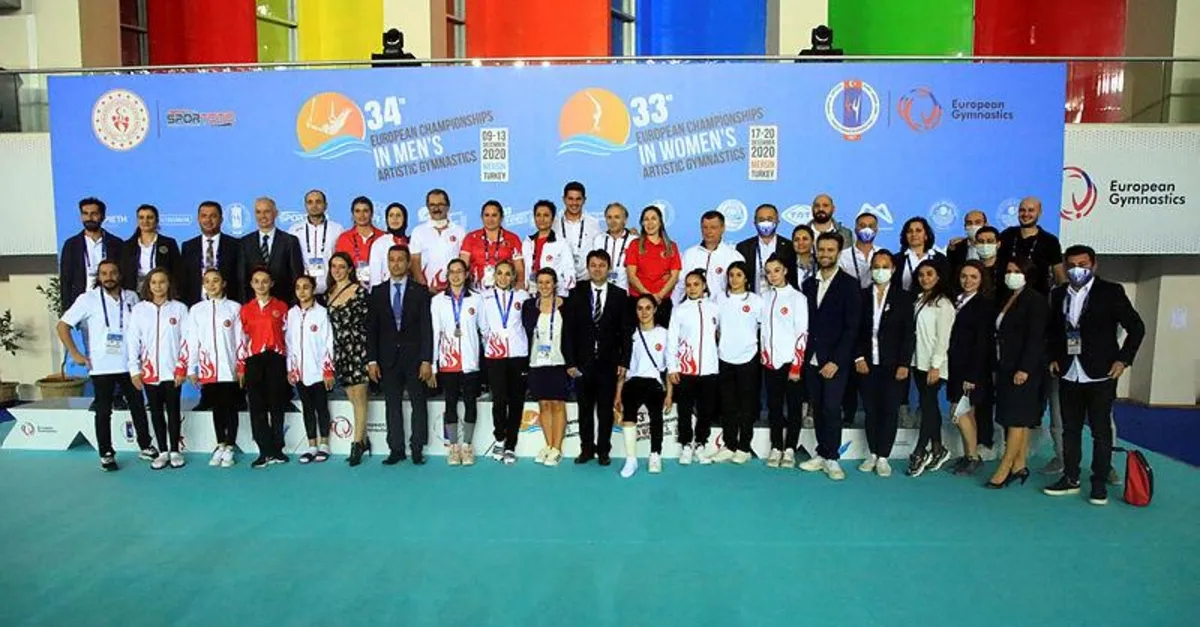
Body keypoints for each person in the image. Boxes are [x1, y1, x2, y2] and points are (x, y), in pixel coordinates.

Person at [1043, 245, 1145, 505]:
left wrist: (1123, 359)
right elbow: (1052, 330)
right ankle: (1070, 477)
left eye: (1083, 265)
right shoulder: (1057, 294)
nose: (1077, 270)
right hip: (1068, 371)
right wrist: (1053, 356)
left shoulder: (1110, 291)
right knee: (1070, 430)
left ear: (1094, 265)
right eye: (1071, 265)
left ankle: (1099, 482)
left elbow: (1136, 327)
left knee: (1101, 432)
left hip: (1101, 373)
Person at [56, 259, 151, 471]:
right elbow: (62, 326)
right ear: (98, 277)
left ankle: (145, 446)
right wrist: (75, 353)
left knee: (138, 407)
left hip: (130, 365)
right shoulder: (87, 299)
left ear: (120, 275)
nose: (109, 277)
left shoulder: (132, 297)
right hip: (101, 366)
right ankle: (106, 453)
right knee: (103, 411)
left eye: (113, 273)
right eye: (104, 273)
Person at [798, 233, 861, 481]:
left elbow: (852, 328)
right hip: (811, 358)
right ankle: (822, 452)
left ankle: (832, 457)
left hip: (835, 361)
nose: (825, 254)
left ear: (838, 253)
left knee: (832, 408)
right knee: (818, 408)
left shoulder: (849, 285)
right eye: (821, 249)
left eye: (830, 250)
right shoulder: (808, 284)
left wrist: (836, 361)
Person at [367, 245, 433, 465]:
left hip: (415, 358)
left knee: (418, 403)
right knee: (392, 405)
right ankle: (396, 449)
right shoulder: (377, 292)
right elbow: (372, 329)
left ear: (408, 263)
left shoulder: (420, 291)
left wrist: (426, 359)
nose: (395, 264)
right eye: (392, 260)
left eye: (400, 260)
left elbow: (426, 328)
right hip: (387, 359)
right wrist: (372, 360)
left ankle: (417, 448)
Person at [987, 258, 1047, 489]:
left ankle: (1005, 466)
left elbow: (1035, 338)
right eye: (1008, 270)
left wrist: (1025, 368)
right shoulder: (1007, 297)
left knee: (1016, 418)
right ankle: (1020, 465)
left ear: (1027, 274)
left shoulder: (1035, 301)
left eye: (1016, 271)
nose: (1011, 275)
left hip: (1023, 369)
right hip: (1005, 365)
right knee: (1012, 417)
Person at [854, 250, 914, 478]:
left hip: (894, 366)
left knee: (889, 410)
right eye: (876, 266)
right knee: (871, 410)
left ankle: (883, 457)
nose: (880, 271)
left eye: (885, 266)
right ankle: (872, 453)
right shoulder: (861, 296)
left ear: (893, 269)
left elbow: (909, 334)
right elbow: (854, 329)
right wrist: (858, 357)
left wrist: (904, 363)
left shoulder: (903, 298)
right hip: (867, 364)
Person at [176, 268, 243, 468]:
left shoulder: (235, 308)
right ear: (203, 285)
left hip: (229, 367)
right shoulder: (196, 310)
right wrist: (191, 368)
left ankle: (230, 446)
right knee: (216, 407)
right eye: (207, 281)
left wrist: (241, 365)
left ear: (223, 283)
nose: (212, 285)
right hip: (208, 368)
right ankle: (220, 444)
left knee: (230, 407)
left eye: (216, 280)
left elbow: (240, 339)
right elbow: (192, 340)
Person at [567, 250, 629, 466]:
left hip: (608, 364)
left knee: (605, 410)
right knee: (584, 409)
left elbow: (625, 332)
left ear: (609, 268)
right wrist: (570, 362)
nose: (597, 269)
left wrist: (624, 362)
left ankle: (604, 450)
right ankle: (586, 449)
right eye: (593, 265)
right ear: (587, 267)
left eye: (602, 265)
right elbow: (568, 331)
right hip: (582, 364)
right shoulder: (576, 293)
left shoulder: (619, 295)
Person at [127, 267, 189, 470]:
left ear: (168, 284)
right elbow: (133, 341)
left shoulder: (179, 309)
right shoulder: (139, 310)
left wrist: (182, 367)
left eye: (162, 282)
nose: (158, 286)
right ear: (148, 285)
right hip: (149, 371)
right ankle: (162, 451)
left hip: (173, 370)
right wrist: (134, 369)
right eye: (153, 282)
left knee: (173, 410)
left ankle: (175, 450)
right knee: (155, 411)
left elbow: (186, 339)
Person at [431, 259, 483, 467]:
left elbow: (484, 330)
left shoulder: (477, 299)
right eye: (451, 272)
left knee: (470, 403)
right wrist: (433, 364)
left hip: (470, 361)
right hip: (448, 361)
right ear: (447, 275)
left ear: (466, 274)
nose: (455, 275)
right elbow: (435, 333)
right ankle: (453, 446)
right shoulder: (438, 301)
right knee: (450, 403)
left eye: (459, 271)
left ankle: (467, 445)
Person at [906, 259, 956, 477]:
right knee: (930, 406)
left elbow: (943, 338)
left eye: (929, 274)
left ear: (938, 276)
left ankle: (920, 451)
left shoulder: (944, 304)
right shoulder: (919, 300)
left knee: (928, 406)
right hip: (918, 361)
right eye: (921, 274)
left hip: (935, 365)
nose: (925, 278)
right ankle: (938, 448)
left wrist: (935, 366)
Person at [759, 256, 809, 468]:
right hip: (771, 363)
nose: (772, 275)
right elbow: (763, 330)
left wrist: (797, 365)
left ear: (785, 271)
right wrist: (765, 356)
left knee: (794, 407)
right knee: (774, 406)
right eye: (769, 272)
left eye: (776, 270)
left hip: (791, 363)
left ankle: (790, 448)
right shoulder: (764, 297)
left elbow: (802, 333)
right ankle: (776, 446)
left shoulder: (798, 298)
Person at [946, 260, 996, 476]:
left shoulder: (984, 305)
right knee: (967, 413)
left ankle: (973, 457)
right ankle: (969, 455)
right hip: (955, 366)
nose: (968, 281)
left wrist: (972, 375)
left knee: (958, 412)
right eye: (964, 276)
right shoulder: (957, 300)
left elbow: (982, 343)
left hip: (971, 369)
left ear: (982, 279)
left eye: (974, 277)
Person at [614, 295, 673, 477]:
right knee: (629, 417)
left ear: (655, 310)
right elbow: (624, 367)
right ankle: (631, 459)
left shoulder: (664, 334)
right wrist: (618, 394)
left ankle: (655, 454)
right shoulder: (630, 334)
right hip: (633, 381)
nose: (644, 312)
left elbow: (669, 366)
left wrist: (669, 394)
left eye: (648, 308)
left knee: (656, 417)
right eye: (640, 308)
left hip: (654, 382)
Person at [521, 268, 575, 467]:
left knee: (557, 404)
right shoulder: (529, 306)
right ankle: (548, 445)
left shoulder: (566, 306)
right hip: (536, 362)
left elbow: (571, 336)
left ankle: (557, 448)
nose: (544, 286)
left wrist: (572, 362)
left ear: (555, 284)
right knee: (543, 404)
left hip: (559, 362)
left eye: (548, 282)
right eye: (541, 282)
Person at [239, 266, 291, 469]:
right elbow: (241, 339)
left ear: (271, 284)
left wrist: (291, 364)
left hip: (276, 359)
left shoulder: (282, 307)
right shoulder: (245, 309)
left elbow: (289, 337)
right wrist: (241, 366)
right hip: (254, 360)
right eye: (256, 281)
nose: (261, 285)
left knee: (277, 404)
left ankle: (278, 449)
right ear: (251, 284)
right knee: (257, 406)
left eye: (265, 281)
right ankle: (264, 450)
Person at [478, 259, 529, 465]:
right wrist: (492, 343)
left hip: (518, 354)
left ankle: (511, 445)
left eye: (508, 274)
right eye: (499, 273)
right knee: (499, 400)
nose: (503, 277)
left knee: (516, 401)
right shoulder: (484, 297)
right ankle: (499, 438)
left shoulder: (523, 296)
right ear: (494, 275)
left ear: (513, 277)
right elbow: (483, 326)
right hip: (495, 355)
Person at [666, 269, 719, 465]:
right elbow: (672, 340)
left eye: (696, 284)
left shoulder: (714, 308)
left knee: (706, 410)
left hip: (709, 369)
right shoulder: (679, 310)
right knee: (685, 409)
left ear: (704, 286)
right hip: (686, 369)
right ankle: (686, 445)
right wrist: (672, 367)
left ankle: (701, 445)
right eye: (688, 285)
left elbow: (720, 333)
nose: (692, 288)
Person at [326, 252, 372, 466]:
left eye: (341, 266)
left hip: (358, 347)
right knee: (351, 396)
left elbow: (368, 322)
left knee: (360, 395)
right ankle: (363, 438)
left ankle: (357, 444)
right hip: (340, 350)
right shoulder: (328, 294)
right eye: (333, 266)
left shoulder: (359, 291)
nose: (337, 270)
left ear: (350, 269)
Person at [714, 261, 761, 465]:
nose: (734, 279)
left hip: (748, 358)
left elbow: (763, 328)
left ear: (746, 278)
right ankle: (729, 444)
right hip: (724, 357)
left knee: (747, 405)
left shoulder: (756, 301)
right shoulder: (719, 299)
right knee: (728, 404)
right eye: (731, 275)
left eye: (739, 275)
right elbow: (715, 327)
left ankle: (744, 447)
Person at [286, 275, 335, 464]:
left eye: (306, 287)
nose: (302, 291)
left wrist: (328, 369)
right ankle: (311, 445)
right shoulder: (291, 314)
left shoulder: (322, 313)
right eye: (298, 287)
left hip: (318, 371)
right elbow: (289, 343)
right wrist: (291, 368)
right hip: (300, 372)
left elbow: (328, 342)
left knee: (321, 407)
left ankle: (324, 444)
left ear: (313, 289)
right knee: (307, 407)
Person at [59, 197, 123, 313]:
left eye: (94, 214)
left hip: (111, 302)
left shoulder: (116, 243)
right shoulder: (71, 245)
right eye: (85, 214)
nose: (89, 218)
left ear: (102, 216)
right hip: (81, 303)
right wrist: (67, 310)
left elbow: (123, 275)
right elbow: (66, 280)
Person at [238, 197, 304, 305]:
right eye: (258, 212)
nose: (262, 216)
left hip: (284, 304)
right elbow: (242, 279)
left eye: (267, 211)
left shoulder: (290, 241)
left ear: (275, 213)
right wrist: (246, 306)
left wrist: (292, 305)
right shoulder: (245, 242)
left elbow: (296, 276)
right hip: (254, 307)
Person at [997, 196, 1065, 297]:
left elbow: (1059, 275)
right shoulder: (1007, 235)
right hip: (1004, 296)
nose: (1026, 214)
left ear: (1039, 213)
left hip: (1037, 297)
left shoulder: (1050, 241)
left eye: (1031, 210)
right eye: (1022, 210)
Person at [625, 205, 682, 324]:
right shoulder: (634, 245)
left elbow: (674, 276)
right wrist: (648, 296)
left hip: (662, 302)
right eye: (646, 219)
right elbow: (631, 275)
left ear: (660, 222)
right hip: (638, 302)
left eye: (653, 218)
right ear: (642, 223)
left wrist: (659, 296)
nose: (650, 223)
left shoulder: (671, 246)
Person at [673, 210, 744, 304]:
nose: (708, 231)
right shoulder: (689, 255)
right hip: (692, 309)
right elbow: (680, 287)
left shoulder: (734, 257)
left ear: (723, 228)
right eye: (705, 227)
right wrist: (675, 308)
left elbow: (740, 290)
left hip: (722, 309)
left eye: (713, 227)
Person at [180, 200, 243, 307]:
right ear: (198, 219)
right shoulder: (188, 246)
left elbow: (240, 278)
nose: (208, 220)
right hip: (196, 305)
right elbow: (184, 280)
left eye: (213, 216)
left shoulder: (236, 245)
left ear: (221, 219)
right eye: (204, 216)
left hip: (228, 305)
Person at [287, 189, 344, 296]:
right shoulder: (294, 230)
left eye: (318, 202)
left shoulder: (337, 229)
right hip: (303, 290)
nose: (314, 205)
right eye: (310, 202)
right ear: (305, 205)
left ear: (325, 205)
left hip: (331, 288)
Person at [460, 200, 525, 290]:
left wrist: (519, 288)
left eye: (494, 215)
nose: (490, 219)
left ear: (501, 217)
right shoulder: (470, 238)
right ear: (481, 217)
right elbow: (462, 266)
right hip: (477, 290)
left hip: (505, 290)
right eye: (486, 215)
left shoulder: (513, 238)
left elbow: (519, 269)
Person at [410, 188, 466, 291]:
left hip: (453, 290)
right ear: (427, 207)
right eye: (432, 205)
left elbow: (463, 262)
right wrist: (425, 288)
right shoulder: (418, 232)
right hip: (426, 290)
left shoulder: (459, 231)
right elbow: (415, 263)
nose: (436, 208)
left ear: (448, 206)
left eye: (440, 204)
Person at [737, 203, 797, 296]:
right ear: (755, 223)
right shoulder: (743, 247)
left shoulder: (789, 247)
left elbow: (793, 278)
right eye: (761, 220)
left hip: (782, 301)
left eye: (769, 219)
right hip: (752, 301)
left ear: (777, 221)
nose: (765, 223)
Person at [119, 204, 181, 293]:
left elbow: (177, 272)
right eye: (141, 218)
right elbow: (123, 273)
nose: (145, 221)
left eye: (150, 217)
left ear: (157, 220)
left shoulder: (169, 243)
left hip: (162, 292)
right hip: (134, 293)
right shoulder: (127, 246)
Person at [522, 200, 576, 298]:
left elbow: (569, 272)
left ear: (553, 219)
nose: (541, 219)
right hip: (532, 295)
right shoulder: (527, 243)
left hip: (556, 297)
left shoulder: (561, 243)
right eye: (538, 215)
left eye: (546, 215)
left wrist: (560, 295)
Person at [553, 181, 601, 282]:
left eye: (578, 199)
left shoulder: (593, 223)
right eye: (570, 199)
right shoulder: (554, 224)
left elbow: (602, 248)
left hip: (586, 281)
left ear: (584, 200)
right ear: (564, 199)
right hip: (561, 282)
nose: (574, 203)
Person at [333, 196, 384, 288]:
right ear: (352, 215)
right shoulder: (344, 238)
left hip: (379, 287)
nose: (361, 215)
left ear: (372, 214)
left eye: (365, 211)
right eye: (357, 211)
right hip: (351, 288)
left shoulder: (383, 237)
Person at [894, 216, 949, 294]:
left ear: (926, 235)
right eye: (909, 231)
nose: (914, 234)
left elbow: (946, 283)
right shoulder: (896, 259)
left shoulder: (940, 258)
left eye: (918, 230)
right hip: (903, 300)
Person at [591, 202, 636, 291]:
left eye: (617, 217)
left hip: (626, 292)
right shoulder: (598, 239)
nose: (612, 221)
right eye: (609, 217)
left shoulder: (634, 241)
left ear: (625, 220)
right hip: (603, 291)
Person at [368, 202, 409, 287]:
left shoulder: (412, 242)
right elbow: (375, 277)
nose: (394, 219)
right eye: (391, 215)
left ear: (405, 219)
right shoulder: (379, 243)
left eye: (398, 215)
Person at [838, 212, 878, 289]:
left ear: (876, 230)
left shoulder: (883, 254)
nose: (867, 229)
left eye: (871, 226)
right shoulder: (842, 256)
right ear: (855, 230)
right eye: (862, 226)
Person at [946, 209, 988, 275]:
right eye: (969, 223)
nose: (973, 226)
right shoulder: (956, 247)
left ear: (985, 225)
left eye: (977, 222)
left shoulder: (993, 246)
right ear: (965, 226)